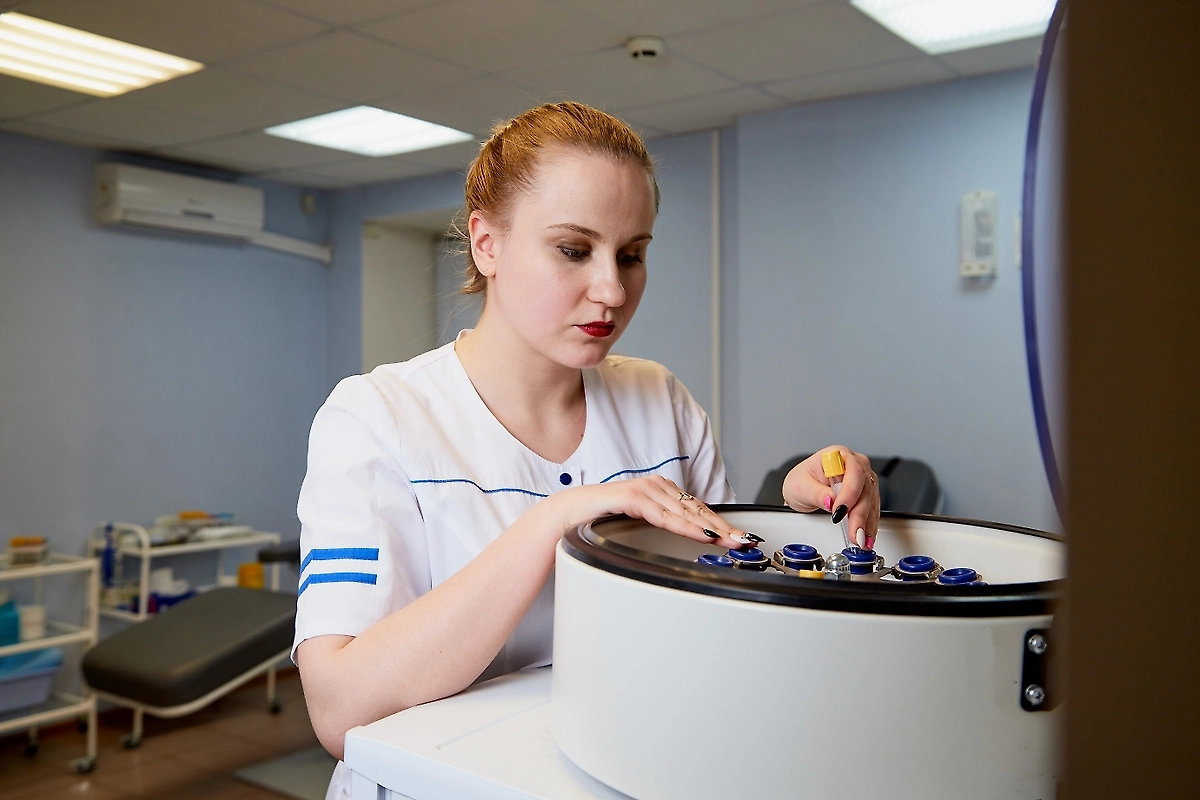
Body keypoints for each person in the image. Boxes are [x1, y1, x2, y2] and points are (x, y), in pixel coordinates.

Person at [293, 102, 880, 798]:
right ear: (487, 244)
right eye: (574, 250)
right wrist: (557, 519)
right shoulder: (376, 417)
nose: (612, 289)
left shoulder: (659, 400)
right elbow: (340, 710)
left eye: (631, 254)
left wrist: (798, 519)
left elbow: (726, 623)